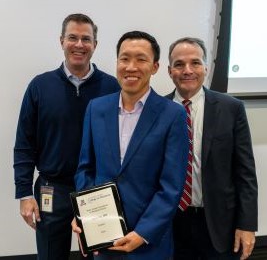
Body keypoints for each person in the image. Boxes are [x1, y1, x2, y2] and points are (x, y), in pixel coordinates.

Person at [72, 30, 189, 260]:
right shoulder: (96, 108)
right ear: (117, 62)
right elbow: (85, 168)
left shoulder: (172, 114)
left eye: (141, 59)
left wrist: (143, 233)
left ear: (155, 67)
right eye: (124, 58)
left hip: (148, 244)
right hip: (104, 240)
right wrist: (84, 214)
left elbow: (172, 186)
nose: (131, 66)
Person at [14, 13, 120, 260]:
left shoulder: (112, 88)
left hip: (97, 189)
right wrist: (25, 194)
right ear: (62, 41)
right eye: (73, 37)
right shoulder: (40, 86)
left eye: (86, 39)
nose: (79, 44)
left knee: (101, 255)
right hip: (53, 188)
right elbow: (24, 144)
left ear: (95, 45)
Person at [166, 37, 258, 260]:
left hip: (219, 224)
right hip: (171, 224)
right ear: (169, 71)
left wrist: (247, 225)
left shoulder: (231, 108)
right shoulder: (159, 110)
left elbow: (245, 173)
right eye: (179, 64)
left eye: (195, 63)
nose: (187, 70)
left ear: (206, 68)